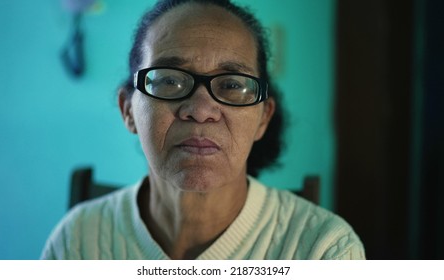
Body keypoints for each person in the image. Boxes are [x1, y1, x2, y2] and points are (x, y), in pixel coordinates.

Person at [41, 0, 365, 260]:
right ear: (128, 109)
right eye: (168, 80)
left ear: (263, 118)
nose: (200, 110)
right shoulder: (78, 242)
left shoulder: (324, 251)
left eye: (232, 84)